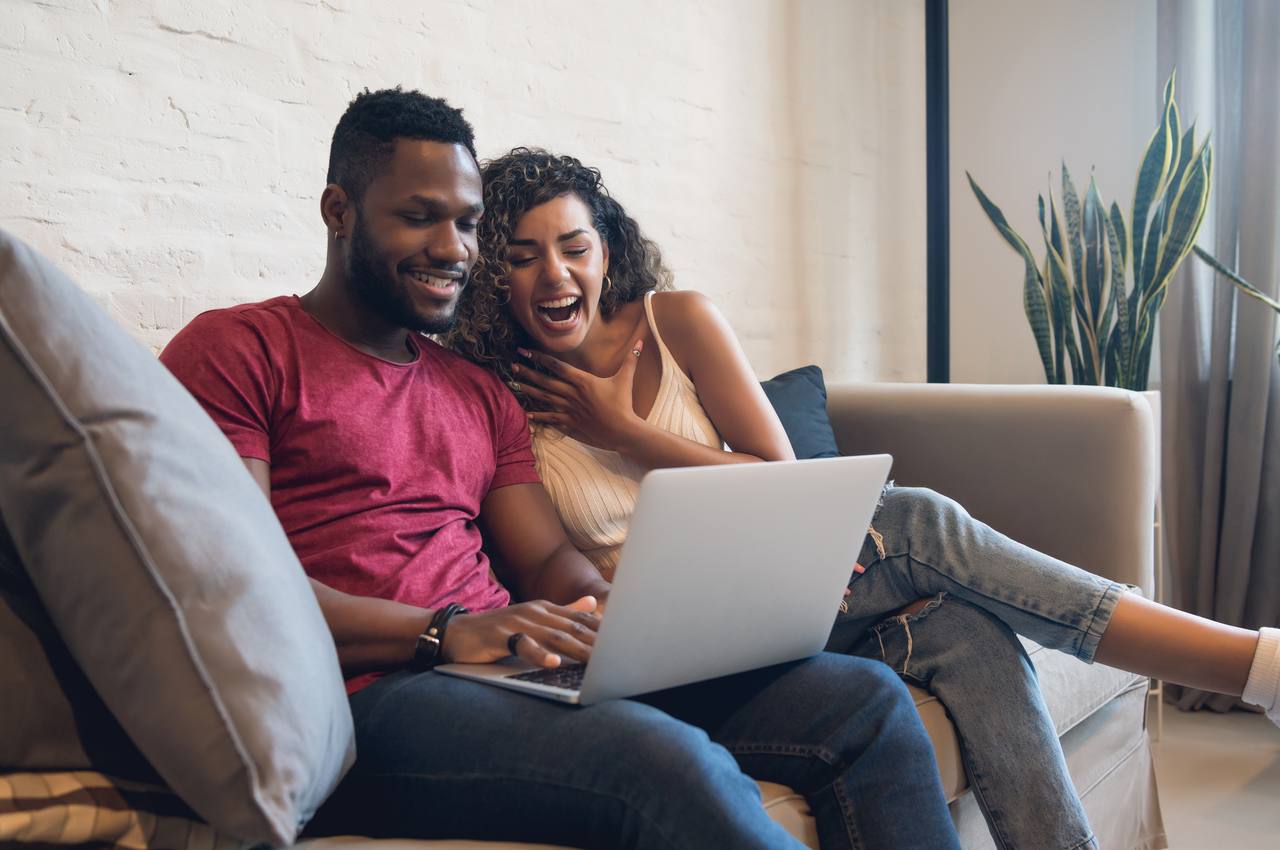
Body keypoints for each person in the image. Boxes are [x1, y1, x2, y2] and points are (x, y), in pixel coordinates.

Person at [159, 88, 962, 850]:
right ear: (339, 211)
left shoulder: (475, 391)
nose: (453, 249)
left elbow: (545, 558)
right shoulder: (241, 351)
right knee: (665, 763)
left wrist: (622, 618)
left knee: (865, 703)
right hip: (368, 696)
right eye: (420, 218)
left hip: (510, 667)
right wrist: (442, 632)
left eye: (468, 224)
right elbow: (239, 588)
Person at [444, 147, 1280, 850]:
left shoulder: (678, 321)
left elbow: (780, 477)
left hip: (785, 587)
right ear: (492, 273)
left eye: (576, 246)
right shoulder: (494, 398)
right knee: (916, 522)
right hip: (667, 632)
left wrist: (625, 431)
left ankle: (1248, 669)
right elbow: (552, 569)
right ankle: (1253, 664)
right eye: (523, 254)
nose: (556, 273)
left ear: (607, 251)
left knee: (967, 633)